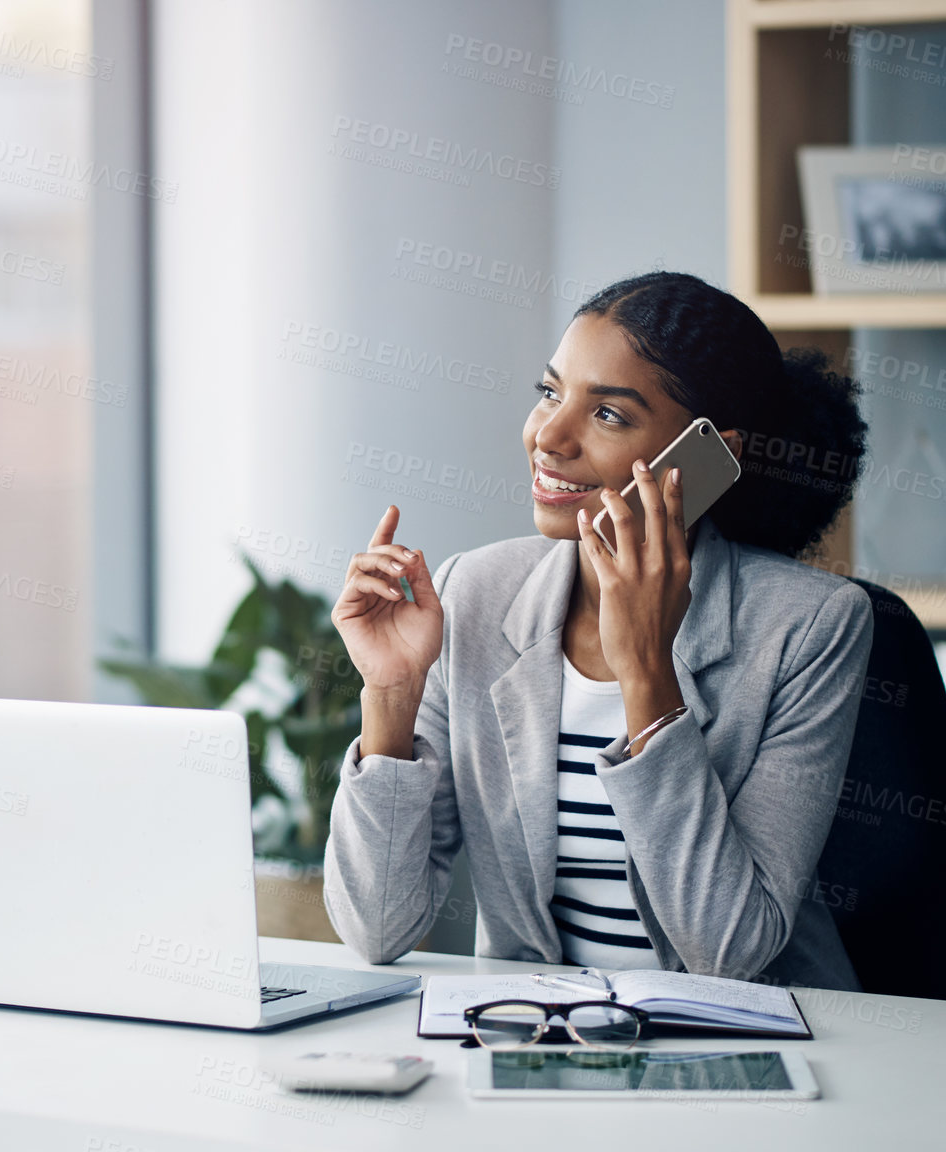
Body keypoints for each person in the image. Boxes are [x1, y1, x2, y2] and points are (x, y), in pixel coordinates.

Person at [322, 271, 872, 990]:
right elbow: (378, 928)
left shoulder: (808, 628)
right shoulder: (474, 593)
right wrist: (391, 700)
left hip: (736, 1054)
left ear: (711, 456)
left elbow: (731, 950)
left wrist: (646, 672)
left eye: (608, 415)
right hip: (536, 1040)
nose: (549, 437)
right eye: (550, 392)